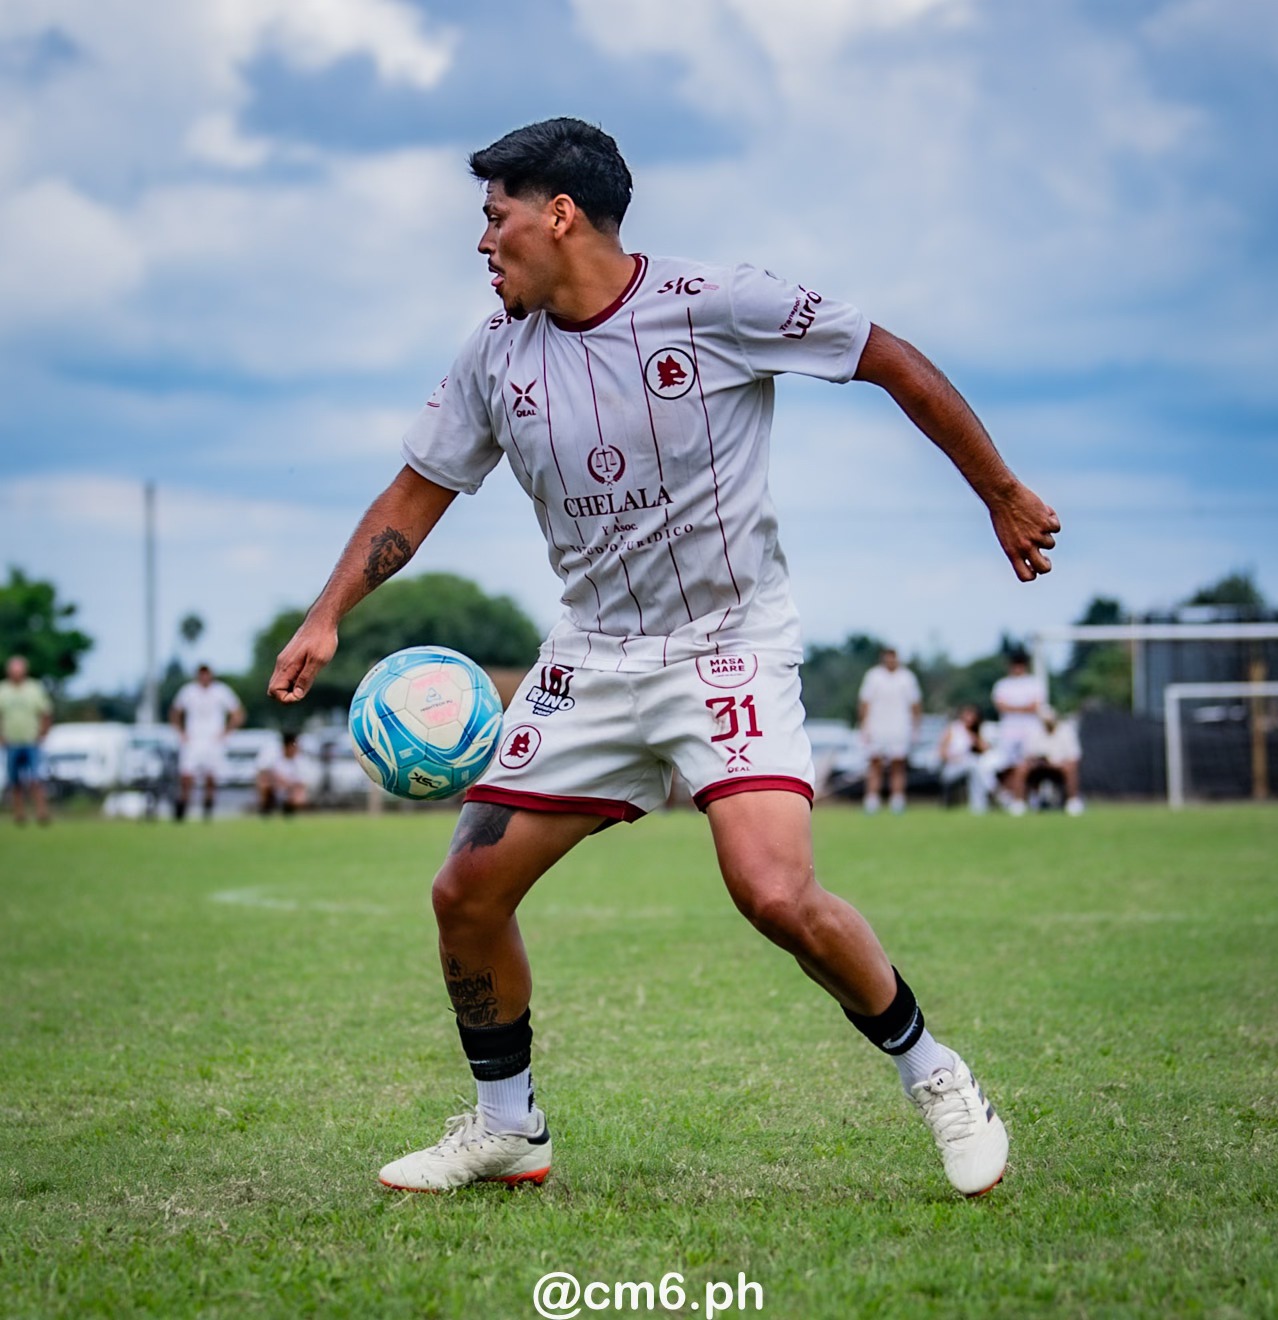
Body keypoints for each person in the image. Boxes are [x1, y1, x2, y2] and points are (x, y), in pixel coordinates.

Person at [268, 118, 1060, 1198]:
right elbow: (417, 492)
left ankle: (938, 1076)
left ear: (560, 214)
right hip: (590, 658)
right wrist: (327, 615)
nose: (482, 243)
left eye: (496, 218)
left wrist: (1000, 491)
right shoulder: (494, 357)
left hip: (726, 647)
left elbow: (888, 358)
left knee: (773, 892)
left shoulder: (716, 303)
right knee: (466, 892)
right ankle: (510, 1127)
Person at [169, 664, 244, 821]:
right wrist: (181, 733)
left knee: (211, 776)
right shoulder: (188, 691)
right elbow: (175, 712)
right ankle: (183, 805)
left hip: (213, 740)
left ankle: (208, 807)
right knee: (186, 775)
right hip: (194, 739)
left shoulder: (221, 691)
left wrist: (226, 732)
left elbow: (238, 713)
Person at [857, 648, 922, 815]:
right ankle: (872, 800)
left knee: (898, 764)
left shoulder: (907, 677)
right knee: (875, 763)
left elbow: (915, 704)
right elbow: (865, 702)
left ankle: (897, 800)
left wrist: (916, 727)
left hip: (900, 727)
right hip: (877, 727)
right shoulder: (873, 676)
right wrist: (864, 725)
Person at [990, 650, 1047, 816]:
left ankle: (1034, 798)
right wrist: (1022, 708)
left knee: (1031, 766)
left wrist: (1014, 708)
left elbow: (1035, 706)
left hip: (1030, 731)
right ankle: (1016, 798)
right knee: (1010, 766)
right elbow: (1001, 706)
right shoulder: (1003, 684)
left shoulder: (1034, 683)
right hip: (1009, 732)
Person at [0, 654, 53, 825]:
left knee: (36, 778)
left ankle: (41, 812)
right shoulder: (3, 690)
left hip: (32, 741)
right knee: (14, 781)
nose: (16, 674)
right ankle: (19, 814)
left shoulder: (34, 688)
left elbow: (45, 712)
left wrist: (43, 732)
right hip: (11, 742)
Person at [1025, 706, 1085, 816]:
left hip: (1060, 765)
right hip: (1041, 767)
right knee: (1022, 768)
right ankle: (1022, 802)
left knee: (1070, 768)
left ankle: (1073, 801)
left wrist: (1058, 764)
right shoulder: (1035, 732)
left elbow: (1074, 756)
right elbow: (1029, 755)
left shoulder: (1066, 731)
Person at [938, 704, 992, 814]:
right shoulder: (953, 729)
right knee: (974, 765)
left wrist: (974, 737)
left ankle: (979, 806)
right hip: (952, 768)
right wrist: (954, 757)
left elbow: (986, 750)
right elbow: (942, 752)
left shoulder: (976, 731)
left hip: (972, 767)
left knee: (976, 768)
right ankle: (994, 790)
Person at [255, 731, 309, 816]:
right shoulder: (273, 755)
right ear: (288, 746)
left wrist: (289, 785)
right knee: (263, 782)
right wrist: (278, 780)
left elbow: (302, 783)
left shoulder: (300, 760)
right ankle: (266, 807)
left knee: (299, 795)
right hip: (275, 787)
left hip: (289, 789)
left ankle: (288, 809)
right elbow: (262, 773)